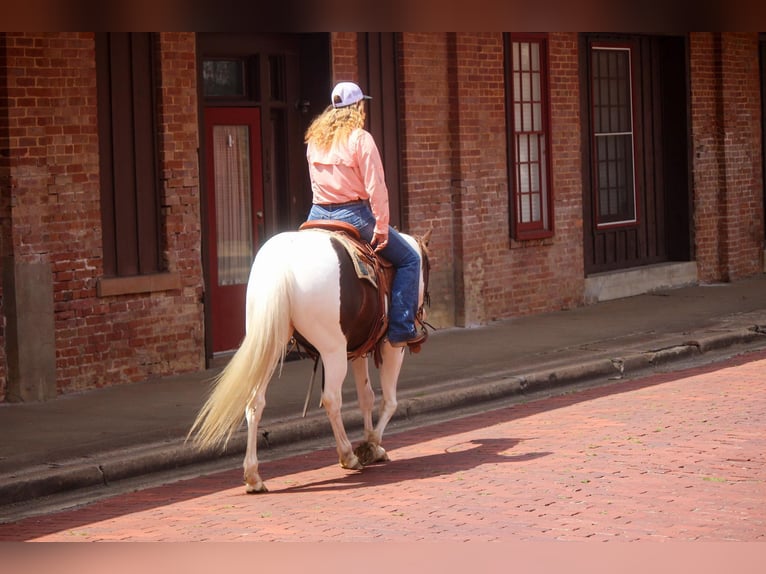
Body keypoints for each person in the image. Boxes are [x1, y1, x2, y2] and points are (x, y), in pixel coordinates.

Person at [304, 81, 426, 349]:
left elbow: (315, 184)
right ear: (357, 107)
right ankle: (402, 328)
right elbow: (376, 187)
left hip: (317, 214)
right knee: (410, 258)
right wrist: (381, 226)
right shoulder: (360, 139)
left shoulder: (314, 140)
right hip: (353, 215)